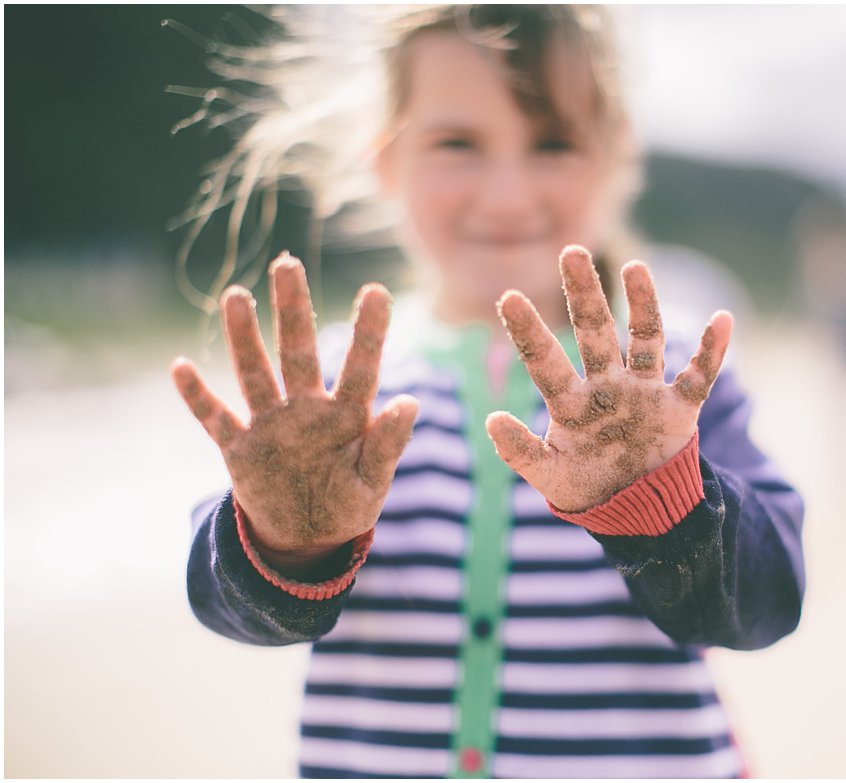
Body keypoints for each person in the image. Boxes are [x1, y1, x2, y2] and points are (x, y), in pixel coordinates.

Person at [172, 5, 805, 778]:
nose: (507, 194)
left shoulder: (670, 391)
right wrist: (288, 539)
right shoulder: (330, 399)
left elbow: (767, 601)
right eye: (458, 144)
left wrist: (661, 497)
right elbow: (233, 607)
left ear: (612, 158)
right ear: (386, 160)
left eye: (553, 143)